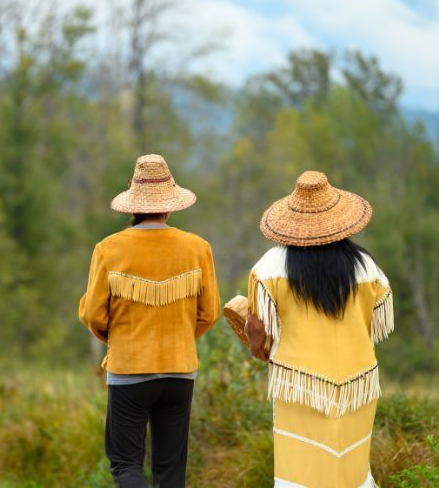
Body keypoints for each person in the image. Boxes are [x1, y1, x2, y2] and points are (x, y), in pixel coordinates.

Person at [244, 171, 393, 488]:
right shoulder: (367, 267)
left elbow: (257, 326)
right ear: (340, 219)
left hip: (300, 384)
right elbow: (375, 316)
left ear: (293, 220)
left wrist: (258, 347)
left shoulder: (271, 265)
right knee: (352, 470)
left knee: (300, 471)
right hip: (358, 383)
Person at [79, 154, 220, 488]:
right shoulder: (198, 248)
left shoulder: (109, 249)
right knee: (171, 474)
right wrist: (181, 336)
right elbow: (210, 313)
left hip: (129, 370)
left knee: (126, 466)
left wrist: (120, 340)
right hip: (179, 370)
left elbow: (93, 315)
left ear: (132, 207)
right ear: (170, 205)